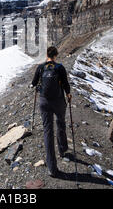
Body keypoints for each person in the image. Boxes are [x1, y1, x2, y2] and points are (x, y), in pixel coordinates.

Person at [30, 46, 72, 177]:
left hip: (44, 102)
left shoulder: (40, 67)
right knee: (60, 123)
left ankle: (52, 169)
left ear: (46, 55)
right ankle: (62, 149)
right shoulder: (60, 67)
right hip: (58, 101)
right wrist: (68, 94)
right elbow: (65, 84)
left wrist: (37, 87)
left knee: (48, 131)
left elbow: (33, 83)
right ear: (55, 56)